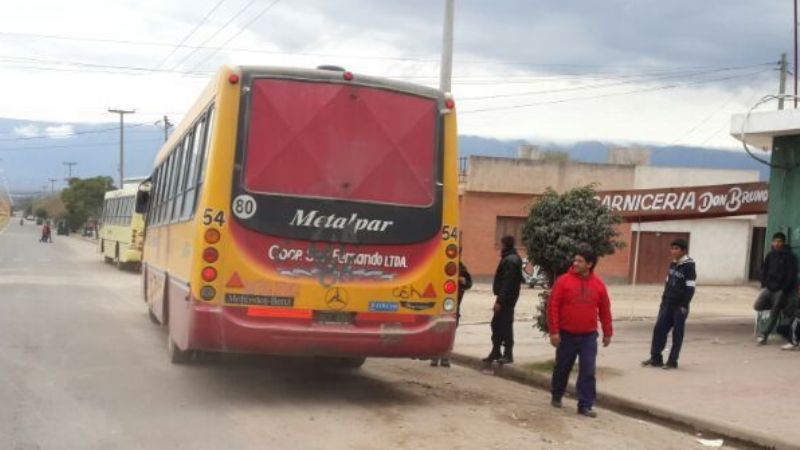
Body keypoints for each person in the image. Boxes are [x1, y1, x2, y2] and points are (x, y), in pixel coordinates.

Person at [548, 248, 613, 418]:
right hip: (566, 335)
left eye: (580, 261)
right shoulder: (563, 281)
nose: (575, 263)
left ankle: (585, 404)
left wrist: (607, 332)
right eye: (575, 260)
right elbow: (553, 306)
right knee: (562, 367)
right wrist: (554, 332)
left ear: (589, 264)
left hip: (588, 336)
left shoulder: (598, 285)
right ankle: (556, 394)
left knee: (588, 371)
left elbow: (605, 309)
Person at [641, 239, 696, 370]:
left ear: (683, 250)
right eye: (672, 248)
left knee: (677, 334)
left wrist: (684, 305)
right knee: (659, 330)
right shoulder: (673, 263)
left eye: (676, 249)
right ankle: (656, 358)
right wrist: (663, 300)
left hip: (679, 306)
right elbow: (668, 282)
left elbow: (690, 288)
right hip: (667, 303)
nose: (673, 251)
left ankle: (672, 361)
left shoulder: (689, 266)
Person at [483, 235, 523, 365]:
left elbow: (508, 283)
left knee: (504, 325)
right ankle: (496, 351)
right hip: (507, 297)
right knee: (497, 324)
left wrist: (499, 301)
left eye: (501, 244)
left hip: (506, 299)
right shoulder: (511, 258)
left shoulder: (510, 260)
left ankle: (507, 353)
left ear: (505, 245)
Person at [753, 232, 798, 345]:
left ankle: (764, 335)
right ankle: (778, 307)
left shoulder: (790, 257)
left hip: (780, 290)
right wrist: (765, 283)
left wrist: (784, 289)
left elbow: (791, 275)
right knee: (757, 305)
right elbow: (764, 270)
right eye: (775, 241)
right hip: (769, 288)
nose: (777, 244)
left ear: (783, 243)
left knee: (774, 312)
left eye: (779, 241)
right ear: (772, 242)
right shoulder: (770, 255)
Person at [431, 259, 473, 368]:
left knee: (449, 332)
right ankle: (435, 356)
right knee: (437, 330)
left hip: (453, 306)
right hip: (438, 305)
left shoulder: (460, 266)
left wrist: (463, 281)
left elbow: (468, 283)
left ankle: (445, 357)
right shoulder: (438, 263)